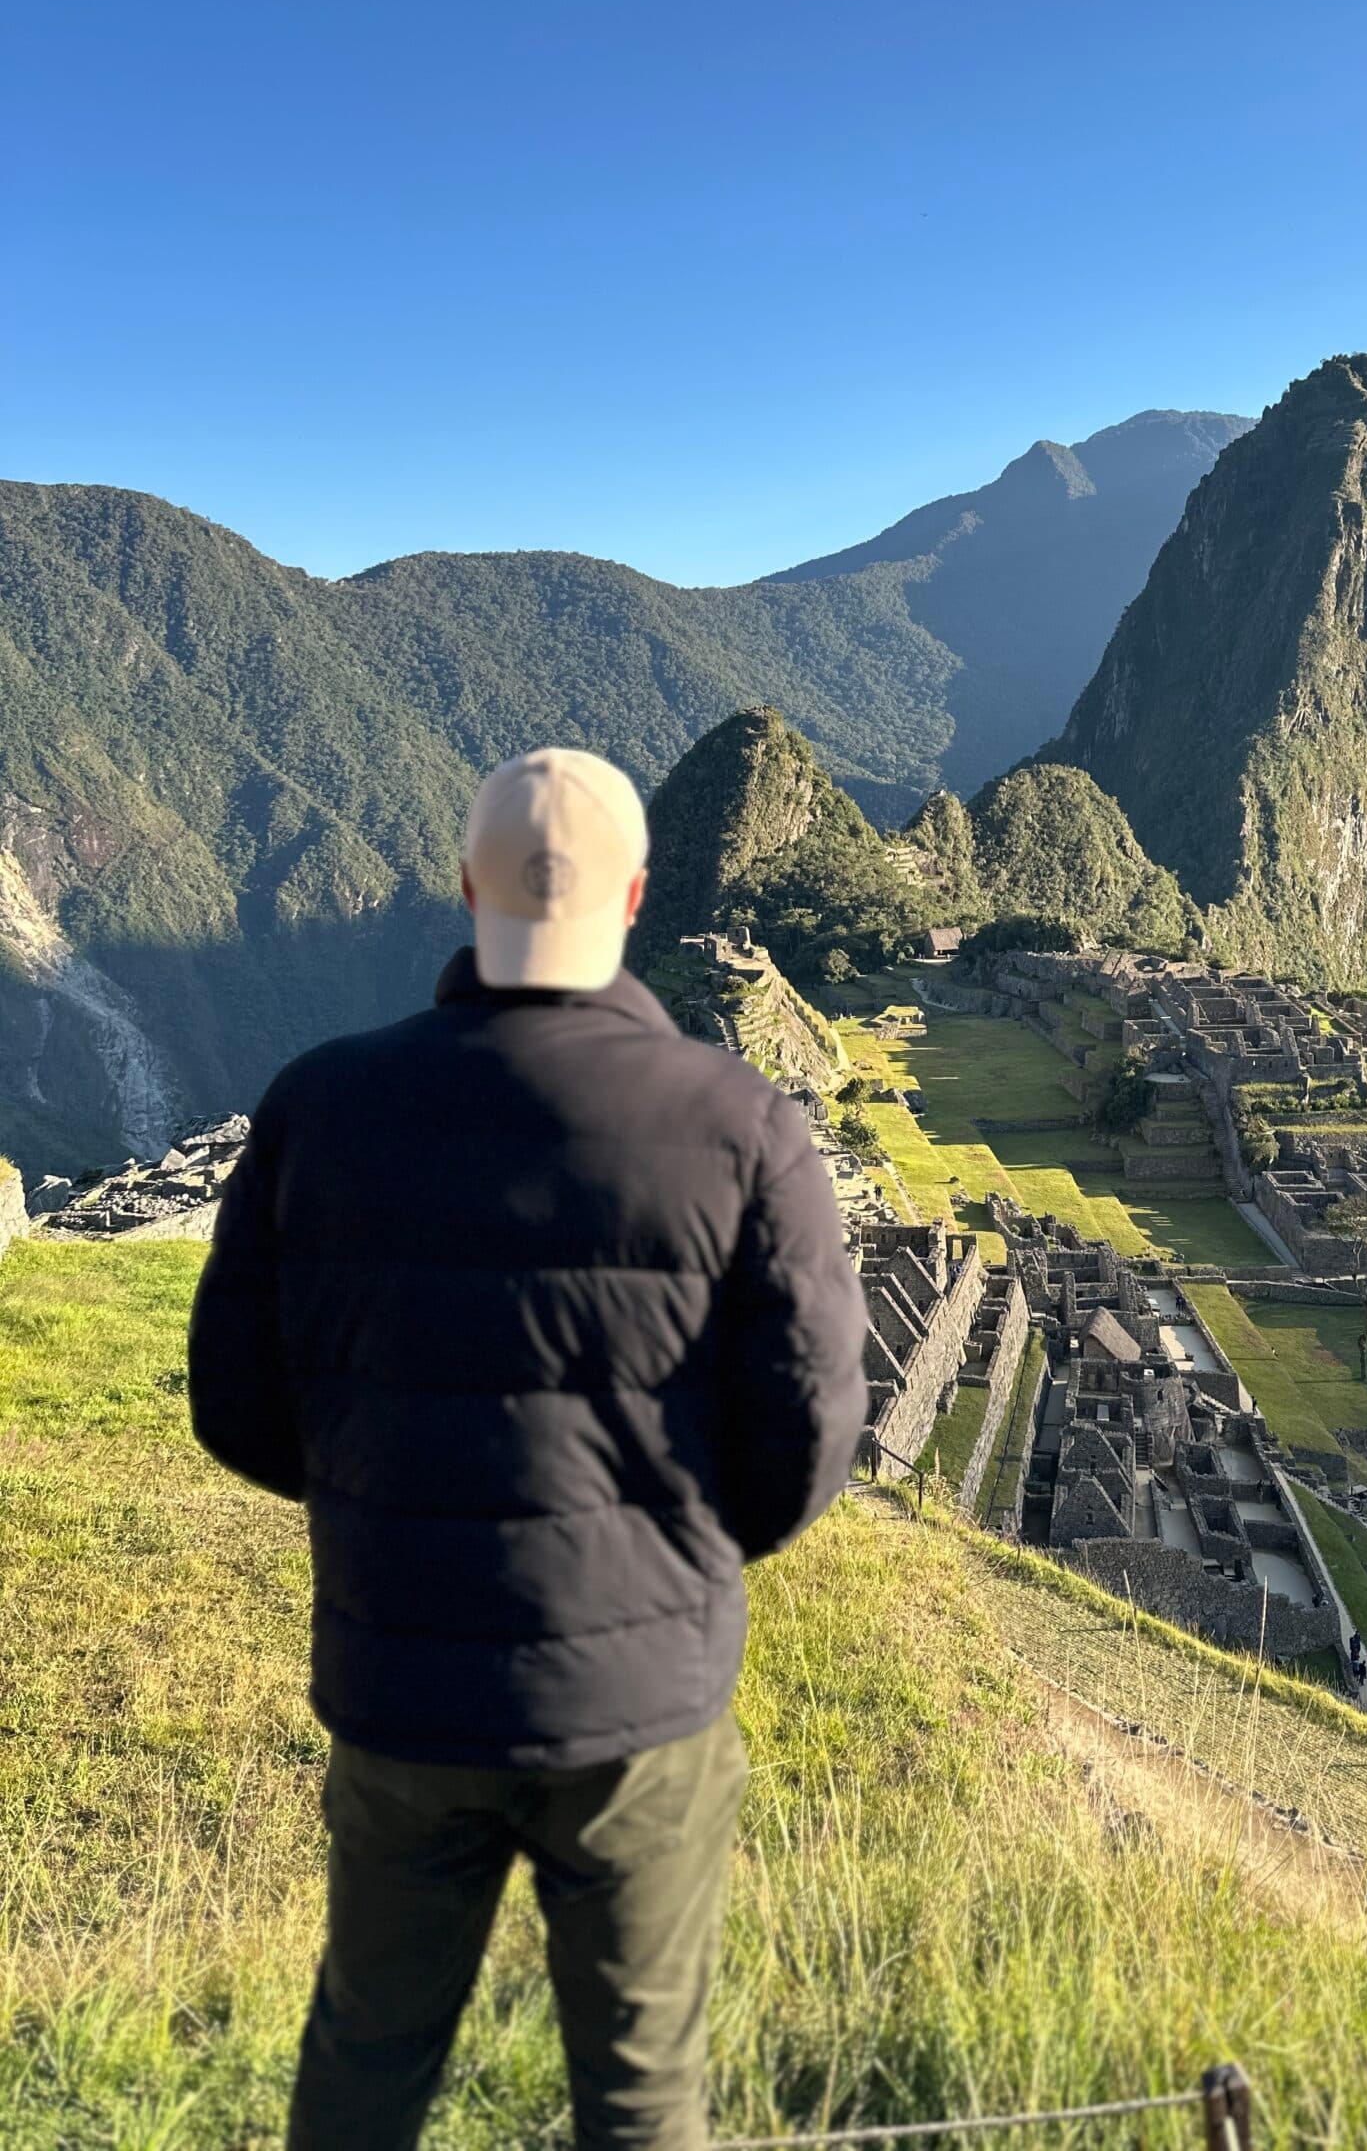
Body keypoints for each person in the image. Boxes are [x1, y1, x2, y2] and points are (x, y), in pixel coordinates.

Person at [188, 749, 871, 2151]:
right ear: (634, 896)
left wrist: (381, 1502)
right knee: (640, 2092)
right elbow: (809, 1427)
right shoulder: (739, 1123)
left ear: (462, 891)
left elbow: (235, 1402)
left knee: (369, 2057)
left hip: (399, 1679)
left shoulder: (320, 1107)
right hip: (638, 1703)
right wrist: (670, 1552)